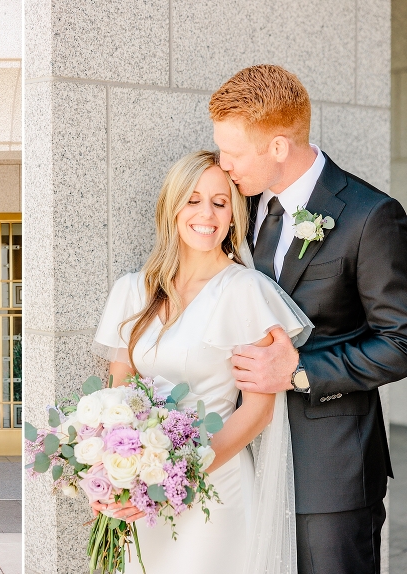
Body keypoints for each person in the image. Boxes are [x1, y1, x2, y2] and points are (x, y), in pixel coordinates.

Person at [209, 64, 407, 574]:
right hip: (243, 463)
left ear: (277, 146)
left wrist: (298, 371)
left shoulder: (370, 216)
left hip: (329, 468)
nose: (223, 165)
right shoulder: (238, 207)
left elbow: (401, 341)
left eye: (233, 152)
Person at [91, 150, 312, 573]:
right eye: (192, 200)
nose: (206, 214)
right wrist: (109, 478)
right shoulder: (132, 290)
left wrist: (181, 476)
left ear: (233, 216)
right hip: (142, 495)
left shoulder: (245, 290)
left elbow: (258, 411)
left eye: (220, 201)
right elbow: (114, 397)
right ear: (171, 208)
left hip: (216, 489)